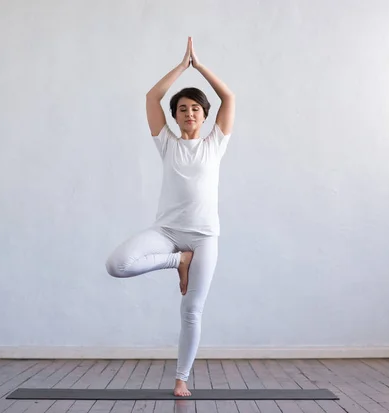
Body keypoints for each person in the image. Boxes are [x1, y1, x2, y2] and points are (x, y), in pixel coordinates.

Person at [105, 37, 235, 397]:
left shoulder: (215, 144)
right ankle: (178, 261)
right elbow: (151, 98)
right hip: (166, 232)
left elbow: (230, 99)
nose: (189, 113)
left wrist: (201, 66)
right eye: (182, 109)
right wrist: (182, 67)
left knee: (191, 310)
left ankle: (182, 379)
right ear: (175, 117)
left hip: (204, 236)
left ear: (205, 115)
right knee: (117, 264)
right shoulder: (166, 143)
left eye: (195, 108)